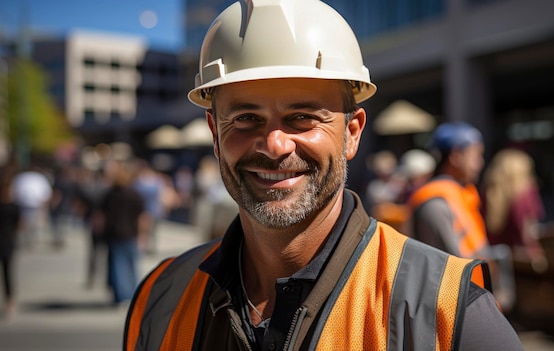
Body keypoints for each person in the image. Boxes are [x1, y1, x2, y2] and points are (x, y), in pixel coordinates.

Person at [124, 1, 523, 350]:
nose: (275, 144)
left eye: (302, 117)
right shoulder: (162, 297)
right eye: (246, 118)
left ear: (352, 133)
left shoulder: (449, 312)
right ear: (215, 133)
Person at [406, 122, 516, 312]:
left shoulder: (460, 193)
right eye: (476, 155)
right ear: (456, 156)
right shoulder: (436, 204)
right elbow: (451, 269)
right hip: (458, 308)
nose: (480, 163)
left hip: (475, 300)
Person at [482, 148, 547, 272]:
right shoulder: (526, 194)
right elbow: (527, 233)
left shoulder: (487, 194)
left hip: (492, 261)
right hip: (520, 264)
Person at [96, 161, 148, 306]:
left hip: (114, 233)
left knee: (118, 265)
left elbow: (101, 216)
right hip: (131, 233)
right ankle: (133, 294)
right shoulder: (135, 194)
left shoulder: (109, 193)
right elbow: (142, 217)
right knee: (132, 265)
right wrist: (143, 235)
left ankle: (121, 295)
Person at [0, 166, 22, 318]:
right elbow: (20, 225)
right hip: (8, 241)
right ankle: (10, 302)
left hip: (5, 241)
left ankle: (10, 302)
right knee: (8, 273)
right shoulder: (14, 207)